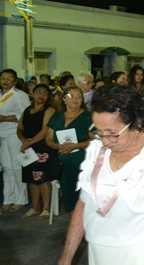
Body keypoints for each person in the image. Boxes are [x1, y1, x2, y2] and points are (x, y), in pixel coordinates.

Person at [51, 85, 144, 265]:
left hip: (138, 258)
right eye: (98, 132)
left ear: (136, 123)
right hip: (98, 253)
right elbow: (84, 205)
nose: (104, 141)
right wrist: (65, 263)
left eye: (111, 133)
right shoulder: (97, 148)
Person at [46, 86, 93, 215]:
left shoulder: (88, 117)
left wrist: (76, 146)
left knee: (84, 198)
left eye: (79, 96)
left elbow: (95, 140)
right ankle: (74, 221)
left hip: (83, 162)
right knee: (69, 195)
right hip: (63, 163)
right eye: (71, 96)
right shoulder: (57, 116)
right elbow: (48, 138)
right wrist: (56, 146)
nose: (75, 99)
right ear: (64, 99)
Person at [17, 84, 57, 219]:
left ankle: (46, 208)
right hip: (28, 147)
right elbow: (20, 128)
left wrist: (29, 142)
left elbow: (45, 131)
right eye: (38, 92)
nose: (41, 96)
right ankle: (35, 207)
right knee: (31, 178)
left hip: (43, 147)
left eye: (45, 93)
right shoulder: (27, 110)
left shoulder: (49, 110)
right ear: (32, 94)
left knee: (42, 178)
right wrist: (24, 141)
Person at [0, 69, 32, 212]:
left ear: (15, 81)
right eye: (3, 78)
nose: (5, 81)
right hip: (2, 135)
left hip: (15, 134)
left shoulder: (19, 95)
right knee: (6, 167)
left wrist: (5, 118)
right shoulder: (0, 95)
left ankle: (20, 199)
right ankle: (8, 198)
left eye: (9, 78)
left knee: (17, 167)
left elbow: (25, 115)